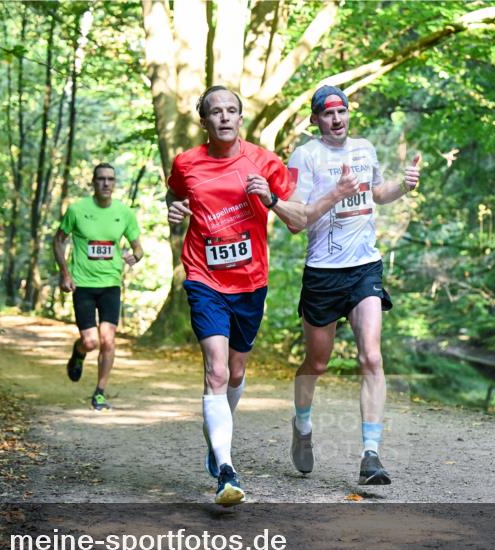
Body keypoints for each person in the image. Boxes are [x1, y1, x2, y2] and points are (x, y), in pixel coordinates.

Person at [166, 85, 358, 505]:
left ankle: (217, 436)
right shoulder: (186, 163)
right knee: (216, 372)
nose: (224, 118)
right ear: (204, 121)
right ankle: (226, 469)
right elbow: (175, 194)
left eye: (232, 111)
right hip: (204, 277)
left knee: (235, 373)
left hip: (250, 282)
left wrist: (269, 198)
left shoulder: (263, 161)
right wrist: (174, 210)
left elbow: (298, 220)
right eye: (215, 112)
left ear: (240, 118)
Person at [286, 85, 420, 485]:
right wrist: (336, 193)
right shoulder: (305, 156)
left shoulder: (364, 149)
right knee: (318, 364)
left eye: (341, 111)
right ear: (315, 120)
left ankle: (371, 455)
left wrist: (405, 186)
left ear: (348, 113)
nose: (336, 119)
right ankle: (303, 425)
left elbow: (378, 193)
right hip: (323, 273)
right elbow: (296, 218)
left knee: (372, 358)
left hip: (365, 268)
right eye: (327, 114)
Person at [55, 163, 144, 411]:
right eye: (101, 179)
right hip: (82, 284)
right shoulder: (77, 210)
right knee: (91, 341)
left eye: (110, 179)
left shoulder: (123, 213)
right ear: (93, 182)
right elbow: (58, 241)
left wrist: (135, 256)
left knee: (108, 340)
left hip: (110, 285)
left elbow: (138, 247)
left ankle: (100, 392)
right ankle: (78, 351)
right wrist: (64, 274)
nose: (106, 183)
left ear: (115, 183)